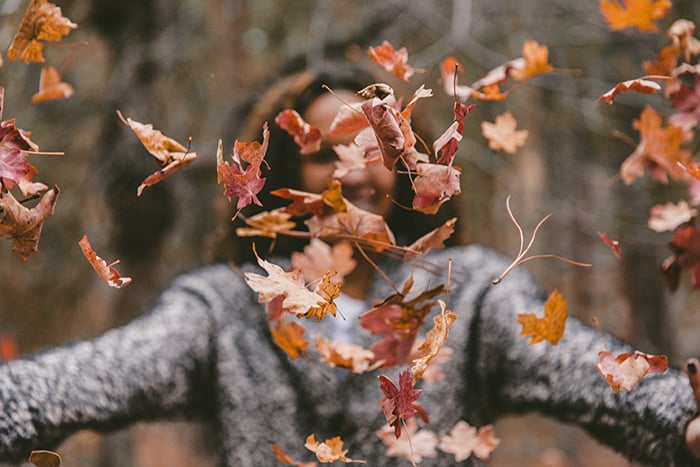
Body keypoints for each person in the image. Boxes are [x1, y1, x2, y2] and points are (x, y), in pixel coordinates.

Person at [0, 61, 699, 467]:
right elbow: (92, 376)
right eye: (323, 151)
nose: (353, 172)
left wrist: (684, 418)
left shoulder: (466, 295)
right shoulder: (226, 308)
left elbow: (591, 373)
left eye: (372, 149)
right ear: (280, 177)